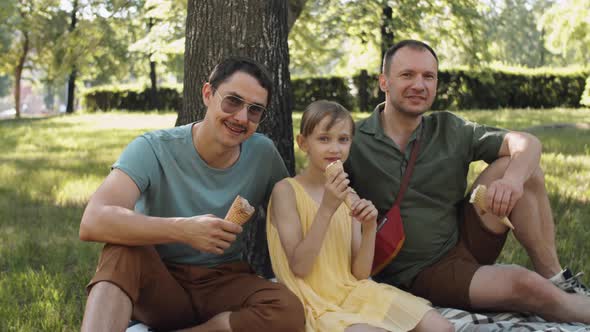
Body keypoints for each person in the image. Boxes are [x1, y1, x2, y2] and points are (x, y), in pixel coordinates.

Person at [344, 39, 590, 324]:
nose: (419, 85)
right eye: (407, 75)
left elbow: (528, 142)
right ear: (384, 82)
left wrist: (511, 181)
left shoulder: (449, 128)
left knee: (523, 168)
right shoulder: (354, 139)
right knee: (525, 284)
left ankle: (555, 277)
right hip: (419, 271)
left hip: (465, 239)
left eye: (428, 76)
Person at [79, 56, 305, 332]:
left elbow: (295, 214)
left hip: (223, 282)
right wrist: (183, 230)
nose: (241, 118)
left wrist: (337, 204)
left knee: (288, 310)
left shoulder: (263, 154)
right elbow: (93, 220)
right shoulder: (153, 148)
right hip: (161, 282)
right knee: (121, 250)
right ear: (208, 94)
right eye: (232, 101)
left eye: (255, 110)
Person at [267, 100, 454, 332]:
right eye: (324, 139)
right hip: (314, 301)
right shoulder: (286, 191)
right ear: (303, 143)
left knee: (441, 327)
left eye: (343, 139)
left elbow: (360, 273)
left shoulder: (349, 195)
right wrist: (327, 208)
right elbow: (300, 267)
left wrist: (368, 228)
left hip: (353, 291)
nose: (335, 148)